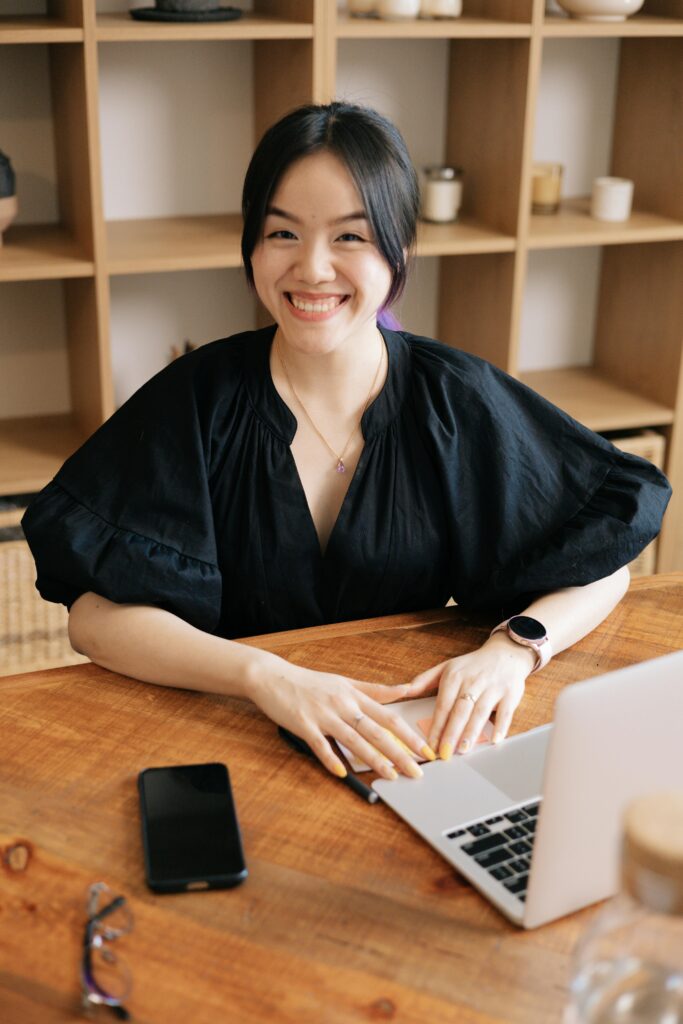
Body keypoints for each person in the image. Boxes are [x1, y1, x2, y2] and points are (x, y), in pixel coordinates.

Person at [22, 102, 670, 783]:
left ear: (400, 250)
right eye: (282, 233)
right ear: (251, 244)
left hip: (409, 744)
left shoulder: (456, 396)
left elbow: (603, 562)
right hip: (231, 734)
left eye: (350, 238)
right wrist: (265, 677)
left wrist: (511, 650)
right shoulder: (195, 396)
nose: (311, 268)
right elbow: (92, 620)